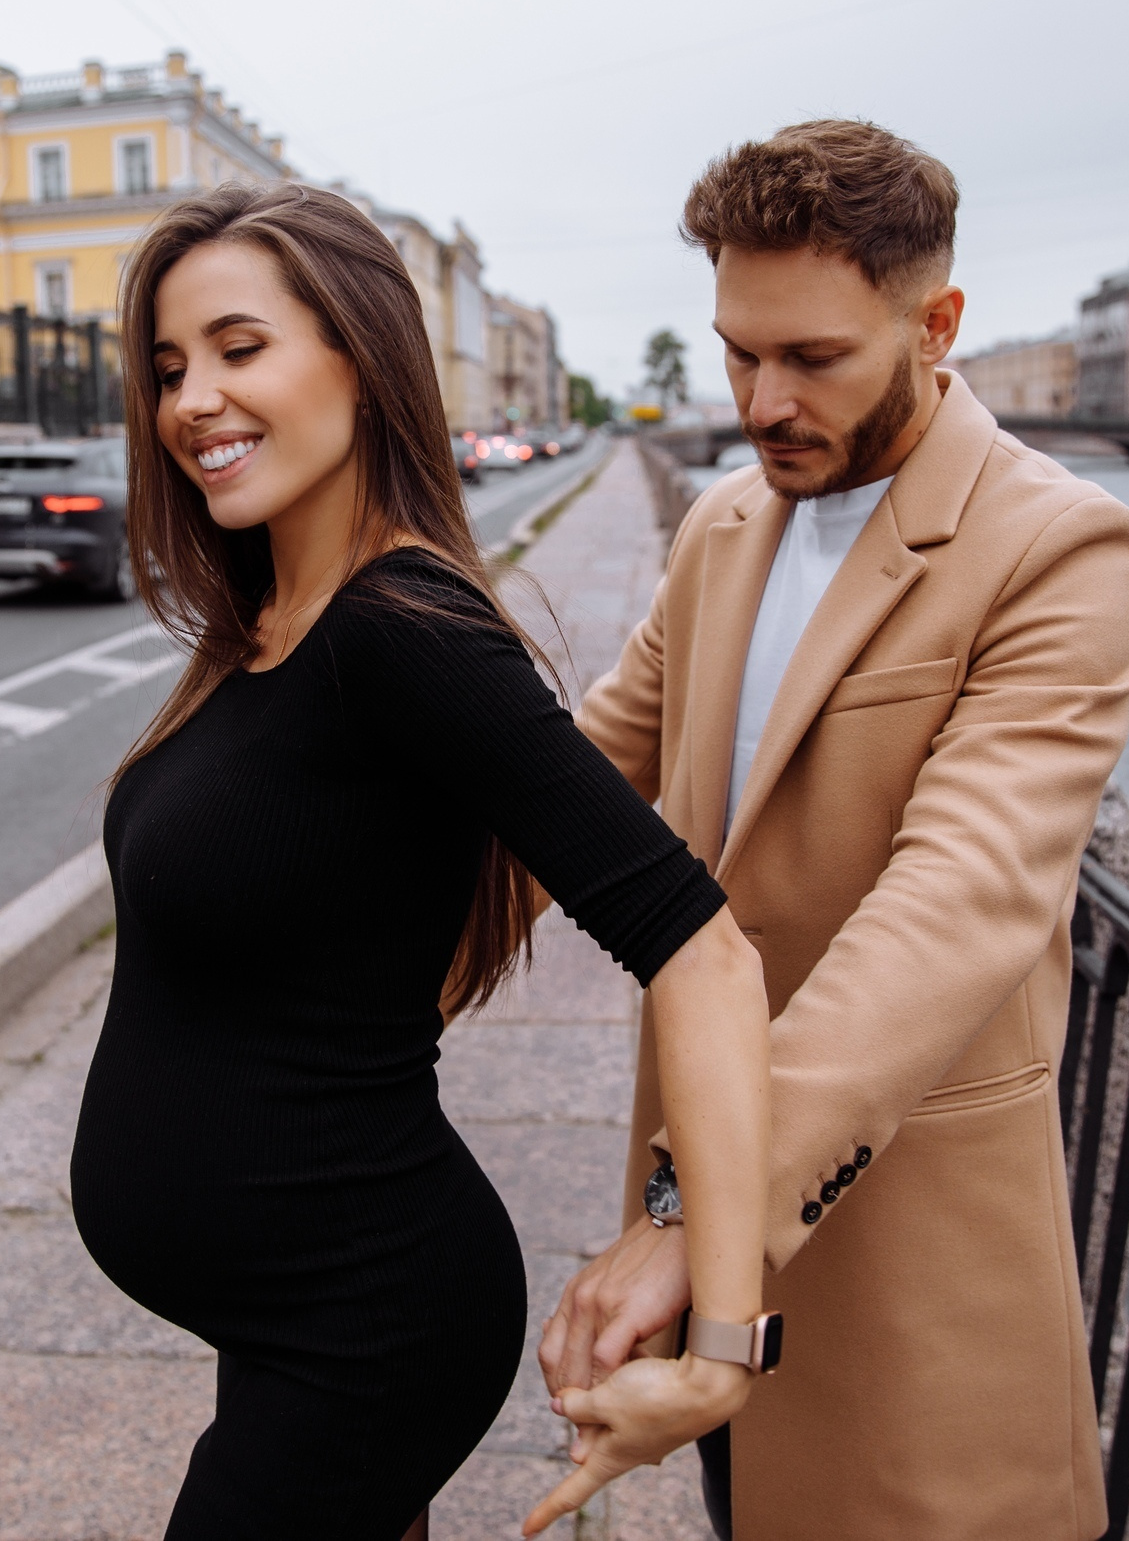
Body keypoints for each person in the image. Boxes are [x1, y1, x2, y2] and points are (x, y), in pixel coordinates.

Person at [68, 180, 780, 1541]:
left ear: (360, 354)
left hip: (368, 1323)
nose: (192, 401)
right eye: (168, 370)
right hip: (289, 1306)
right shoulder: (274, 619)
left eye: (238, 347)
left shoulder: (408, 635)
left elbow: (703, 949)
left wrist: (724, 1342)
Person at [538, 120, 1129, 1540]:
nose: (761, 399)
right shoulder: (724, 524)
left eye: (812, 359)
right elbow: (580, 779)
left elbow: (961, 900)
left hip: (905, 1228)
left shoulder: (1060, 543)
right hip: (700, 1203)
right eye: (737, 352)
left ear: (936, 325)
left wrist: (700, 1209)